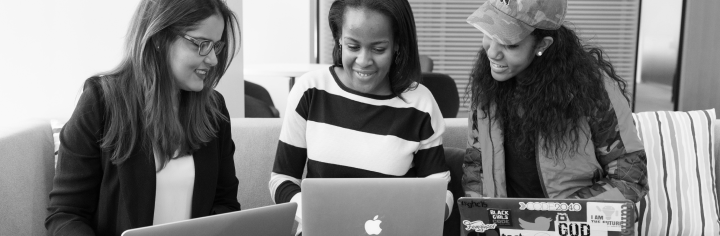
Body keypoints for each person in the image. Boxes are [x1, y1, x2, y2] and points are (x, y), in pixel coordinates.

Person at [45, 0, 241, 235]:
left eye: (216, 47)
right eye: (201, 44)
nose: (213, 60)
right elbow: (65, 215)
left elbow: (226, 204)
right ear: (158, 38)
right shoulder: (101, 102)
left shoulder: (214, 111)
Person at [269, 0, 453, 234]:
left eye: (378, 49)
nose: (364, 61)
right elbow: (282, 180)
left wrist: (420, 216)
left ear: (397, 44)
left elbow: (440, 192)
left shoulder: (420, 104)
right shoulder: (310, 90)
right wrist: (315, 214)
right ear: (338, 38)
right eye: (353, 46)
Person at [462, 0, 649, 202]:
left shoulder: (593, 90)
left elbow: (629, 178)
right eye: (489, 34)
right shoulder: (488, 85)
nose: (491, 52)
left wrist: (561, 214)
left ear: (542, 44)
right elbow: (476, 165)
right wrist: (480, 222)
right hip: (504, 226)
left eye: (509, 44)